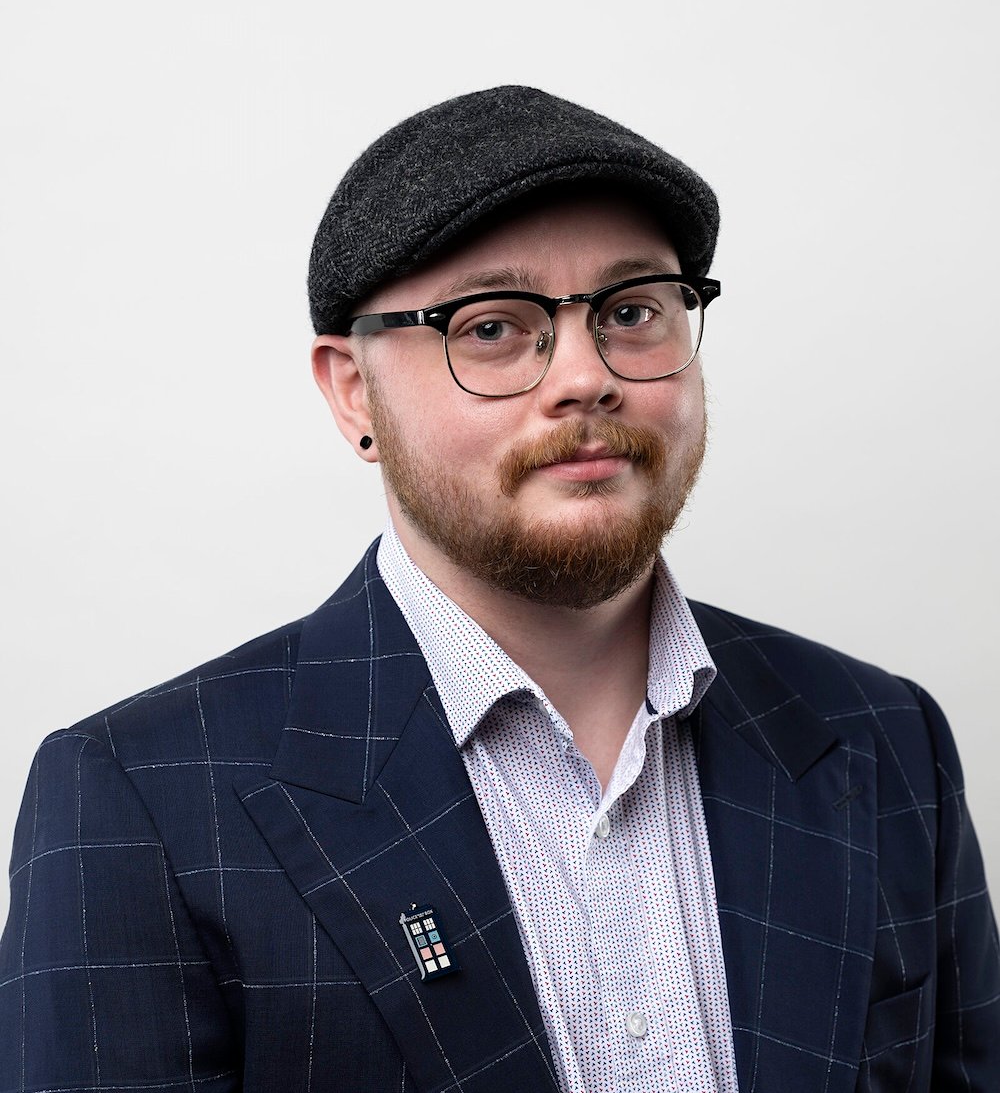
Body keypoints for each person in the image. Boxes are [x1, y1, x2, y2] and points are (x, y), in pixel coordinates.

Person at [1, 85, 997, 1093]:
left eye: (632, 310)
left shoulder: (882, 734)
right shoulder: (139, 800)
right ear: (353, 391)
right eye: (491, 327)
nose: (584, 375)